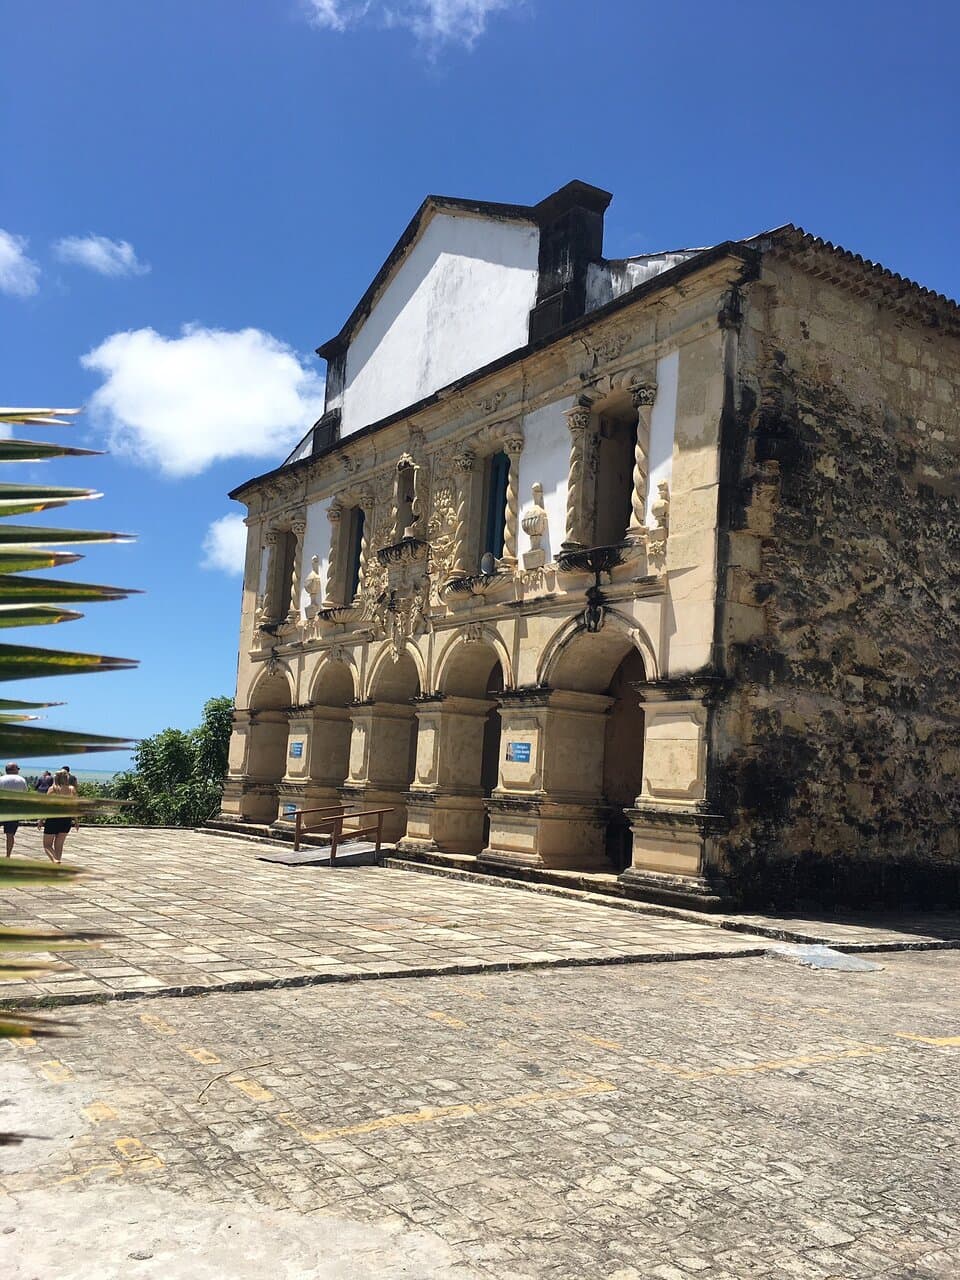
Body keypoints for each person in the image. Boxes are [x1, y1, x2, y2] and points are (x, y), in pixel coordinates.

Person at [42, 768, 78, 864]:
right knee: (59, 845)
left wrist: (41, 820)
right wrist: (76, 821)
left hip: (53, 818)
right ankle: (58, 864)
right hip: (66, 819)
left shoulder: (53, 789)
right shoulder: (72, 789)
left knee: (47, 845)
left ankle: (55, 860)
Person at [0, 762, 29, 857]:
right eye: (18, 768)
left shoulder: (1, 779)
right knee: (10, 834)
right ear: (14, 769)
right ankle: (8, 855)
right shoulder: (21, 780)